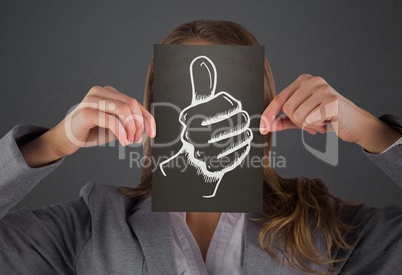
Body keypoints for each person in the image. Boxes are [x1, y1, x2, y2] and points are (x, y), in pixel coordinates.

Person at [0, 20, 401, 275]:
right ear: (157, 109)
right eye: (186, 103)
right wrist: (51, 143)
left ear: (262, 110)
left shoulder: (321, 226)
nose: (206, 119)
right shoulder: (96, 224)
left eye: (233, 96)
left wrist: (371, 132)